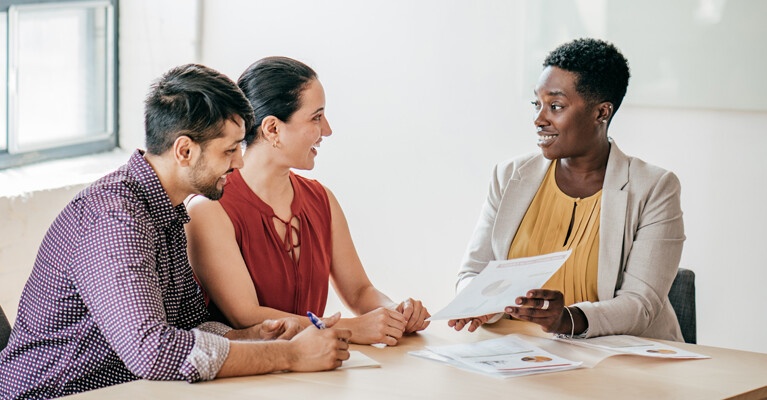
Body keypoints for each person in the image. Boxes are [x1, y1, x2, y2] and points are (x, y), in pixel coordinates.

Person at [0, 64, 351, 399]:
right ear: (184, 150)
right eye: (229, 150)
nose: (239, 162)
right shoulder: (115, 217)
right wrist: (287, 357)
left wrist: (252, 337)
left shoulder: (166, 211)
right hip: (55, 393)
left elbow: (189, 324)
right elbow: (152, 351)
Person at [449, 38, 685, 341]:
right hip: (521, 355)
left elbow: (640, 305)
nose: (539, 119)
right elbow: (472, 273)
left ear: (601, 113)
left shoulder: (654, 188)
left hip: (618, 363)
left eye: (556, 106)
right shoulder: (509, 176)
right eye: (537, 104)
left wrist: (568, 319)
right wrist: (482, 304)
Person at [185, 57, 430, 346]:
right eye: (316, 117)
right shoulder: (209, 208)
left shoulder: (322, 199)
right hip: (242, 379)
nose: (327, 130)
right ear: (273, 129)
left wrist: (394, 312)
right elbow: (245, 315)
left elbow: (360, 292)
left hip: (314, 367)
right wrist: (351, 329)